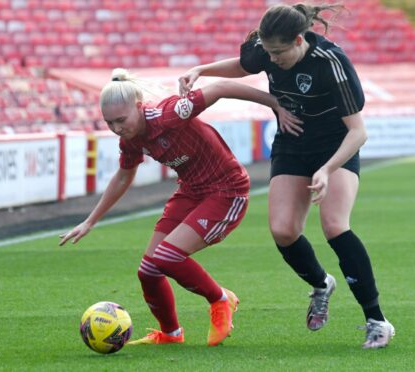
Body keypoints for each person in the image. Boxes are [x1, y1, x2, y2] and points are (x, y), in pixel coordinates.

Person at [179, 3, 394, 349]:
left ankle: (376, 320)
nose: (272, 60)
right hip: (293, 143)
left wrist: (326, 169)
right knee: (282, 229)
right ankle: (321, 284)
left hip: (336, 145)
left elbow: (358, 132)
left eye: (279, 53)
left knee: (334, 225)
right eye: (268, 52)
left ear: (298, 40)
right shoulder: (266, 48)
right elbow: (244, 65)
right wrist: (200, 70)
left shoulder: (331, 63)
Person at [59, 68, 298, 347]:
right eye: (109, 123)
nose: (116, 129)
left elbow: (219, 88)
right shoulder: (130, 138)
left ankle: (221, 299)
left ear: (138, 107)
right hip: (190, 191)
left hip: (226, 190)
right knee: (148, 271)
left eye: (121, 120)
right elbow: (124, 175)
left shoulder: (170, 114)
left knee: (167, 256)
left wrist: (276, 104)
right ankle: (171, 334)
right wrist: (90, 221)